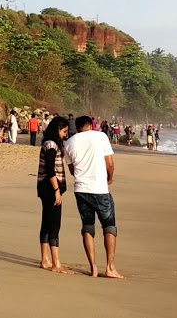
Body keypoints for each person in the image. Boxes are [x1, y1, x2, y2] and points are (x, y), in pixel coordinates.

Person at [63, 115, 121, 279]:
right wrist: (110, 177)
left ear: (77, 126)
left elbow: (72, 170)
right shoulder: (101, 136)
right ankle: (110, 267)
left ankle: (93, 267)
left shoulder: (69, 143)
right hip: (99, 188)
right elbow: (109, 162)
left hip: (81, 189)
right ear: (91, 125)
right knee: (109, 226)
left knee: (88, 226)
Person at [35, 116, 74, 274]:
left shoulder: (49, 143)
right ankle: (56, 263)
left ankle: (45, 259)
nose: (65, 135)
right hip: (50, 188)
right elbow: (50, 170)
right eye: (64, 131)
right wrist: (57, 191)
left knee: (46, 222)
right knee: (54, 224)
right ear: (57, 129)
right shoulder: (51, 145)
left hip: (45, 188)